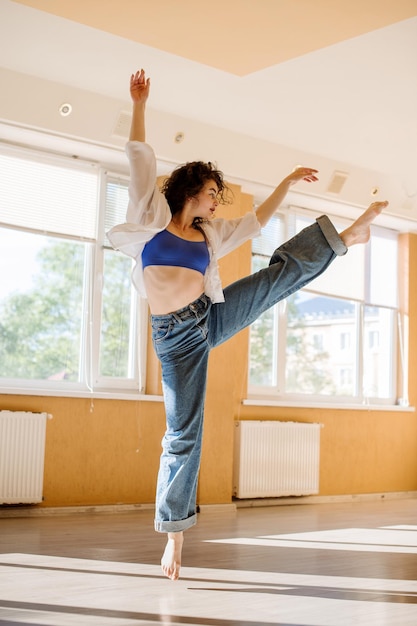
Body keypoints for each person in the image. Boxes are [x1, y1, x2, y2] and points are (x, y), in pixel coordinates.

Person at [108, 69, 388, 581]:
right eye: (214, 192)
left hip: (206, 320)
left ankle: (347, 236)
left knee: (273, 281)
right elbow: (139, 157)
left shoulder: (211, 234)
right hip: (175, 341)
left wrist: (284, 181)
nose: (218, 201)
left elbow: (257, 219)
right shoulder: (148, 212)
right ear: (192, 189)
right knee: (183, 435)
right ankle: (174, 536)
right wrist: (140, 102)